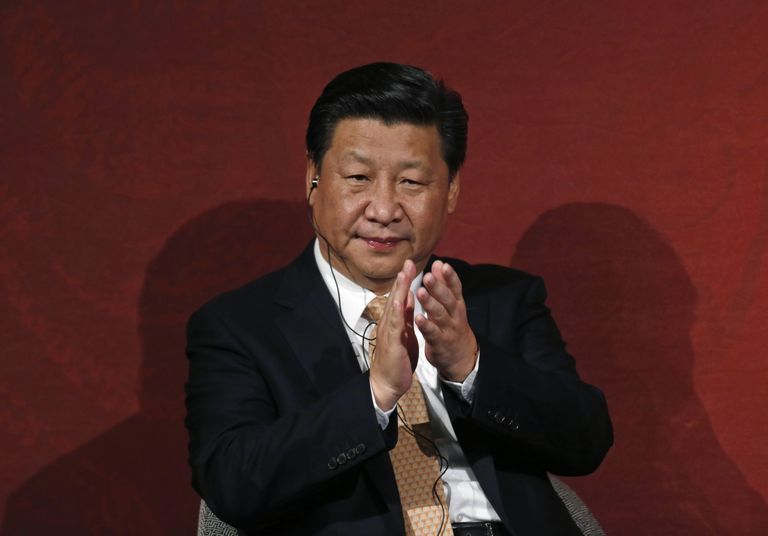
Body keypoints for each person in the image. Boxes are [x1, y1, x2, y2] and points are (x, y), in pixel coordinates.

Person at [184, 62, 613, 536]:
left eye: (411, 182)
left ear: (451, 190)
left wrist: (470, 365)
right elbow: (232, 483)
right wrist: (376, 394)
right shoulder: (239, 326)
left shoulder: (501, 299)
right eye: (358, 178)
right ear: (313, 177)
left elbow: (585, 442)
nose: (384, 210)